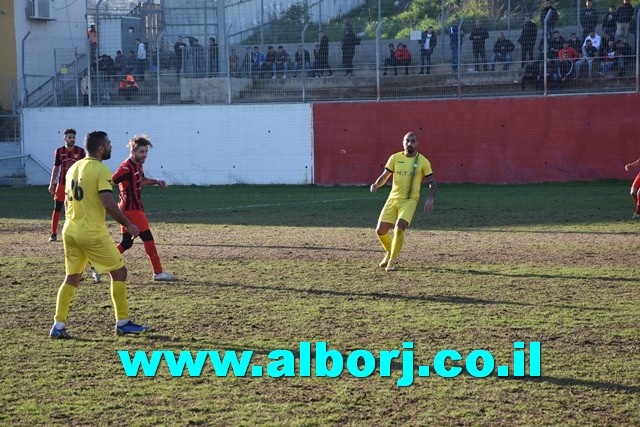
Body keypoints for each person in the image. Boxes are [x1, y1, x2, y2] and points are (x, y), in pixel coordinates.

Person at [49, 130, 148, 339]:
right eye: (109, 143)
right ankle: (123, 322)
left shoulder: (73, 168)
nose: (111, 146)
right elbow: (108, 203)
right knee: (119, 272)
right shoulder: (101, 170)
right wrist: (129, 224)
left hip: (70, 230)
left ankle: (58, 325)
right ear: (101, 148)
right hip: (91, 233)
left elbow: (67, 201)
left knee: (72, 277)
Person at [112, 135, 177, 282]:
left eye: (146, 152)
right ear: (133, 151)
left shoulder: (137, 165)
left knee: (126, 243)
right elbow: (113, 179)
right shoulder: (126, 167)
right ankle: (158, 272)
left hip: (129, 208)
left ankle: (99, 263)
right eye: (141, 152)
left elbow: (140, 179)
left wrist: (156, 181)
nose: (145, 155)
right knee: (148, 239)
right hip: (131, 209)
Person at [369, 132, 437, 272]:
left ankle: (392, 262)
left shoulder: (423, 161)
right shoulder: (395, 158)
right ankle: (390, 252)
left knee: (399, 227)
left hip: (409, 200)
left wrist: (430, 198)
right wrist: (376, 185)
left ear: (417, 143)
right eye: (407, 141)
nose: (409, 144)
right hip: (393, 199)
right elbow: (384, 176)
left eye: (412, 141)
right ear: (403, 142)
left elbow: (433, 182)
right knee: (380, 231)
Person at [48, 128, 85, 242]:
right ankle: (53, 233)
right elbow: (56, 167)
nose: (72, 139)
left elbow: (84, 168)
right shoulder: (59, 151)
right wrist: (51, 184)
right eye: (69, 137)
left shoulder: (80, 151)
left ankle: (75, 233)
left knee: (75, 209)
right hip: (62, 184)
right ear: (65, 138)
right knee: (57, 208)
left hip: (75, 185)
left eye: (73, 137)